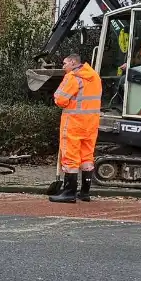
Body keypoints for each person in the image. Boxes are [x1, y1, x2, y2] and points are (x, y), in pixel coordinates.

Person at [50, 54, 101, 203]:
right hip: (91, 123)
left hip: (74, 123)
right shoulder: (95, 77)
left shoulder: (72, 77)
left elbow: (59, 100)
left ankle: (69, 193)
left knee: (70, 157)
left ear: (73, 62)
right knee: (87, 157)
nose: (63, 66)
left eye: (64, 63)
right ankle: (84, 192)